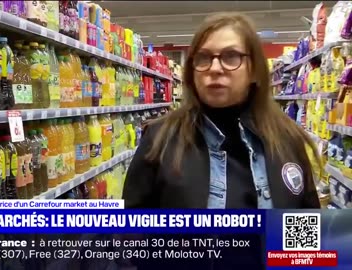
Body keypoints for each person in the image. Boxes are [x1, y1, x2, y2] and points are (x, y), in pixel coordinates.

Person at [123, 13, 320, 209]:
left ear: (254, 70)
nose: (215, 68)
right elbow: (130, 231)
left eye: (231, 56)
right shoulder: (160, 140)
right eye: (203, 57)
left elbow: (304, 236)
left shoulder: (288, 141)